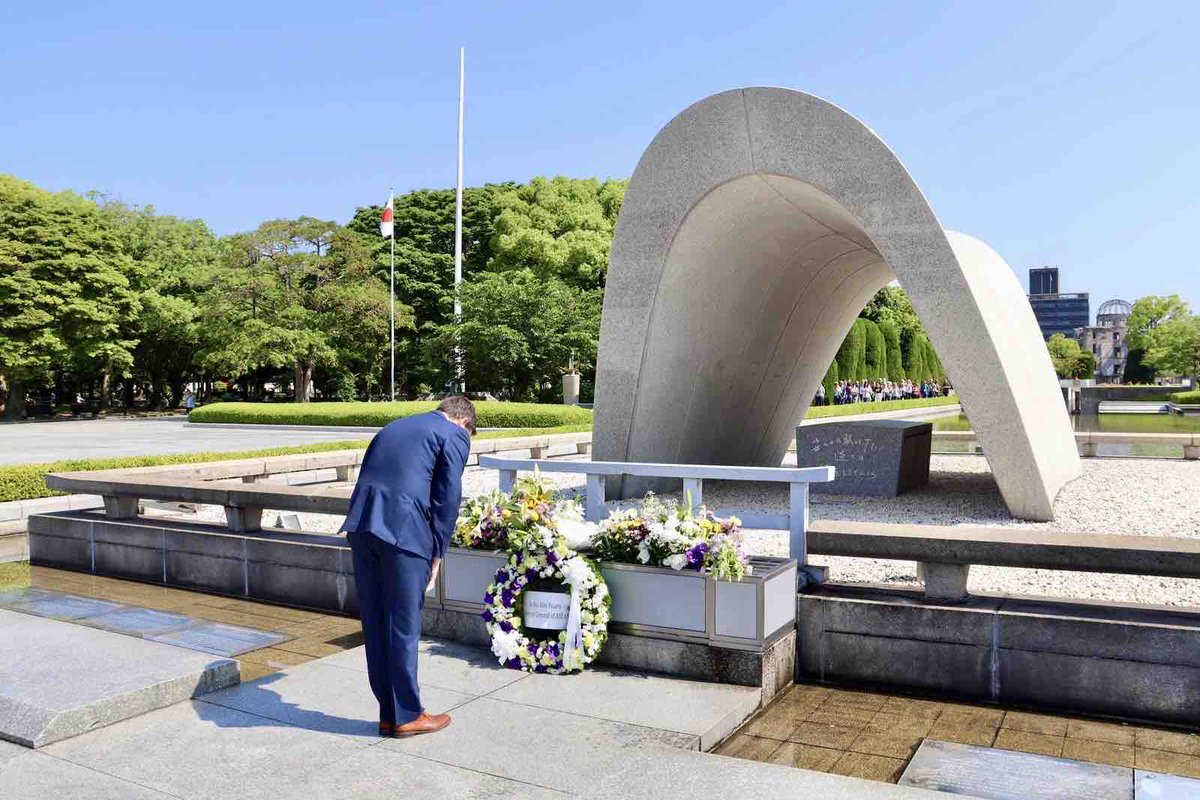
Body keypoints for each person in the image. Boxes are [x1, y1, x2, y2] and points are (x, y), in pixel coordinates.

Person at [340, 396, 475, 737]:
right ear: (464, 421)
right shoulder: (454, 434)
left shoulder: (394, 427)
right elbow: (447, 499)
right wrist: (438, 553)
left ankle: (389, 712)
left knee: (376, 621)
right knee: (403, 624)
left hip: (363, 527)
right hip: (405, 532)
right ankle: (408, 716)